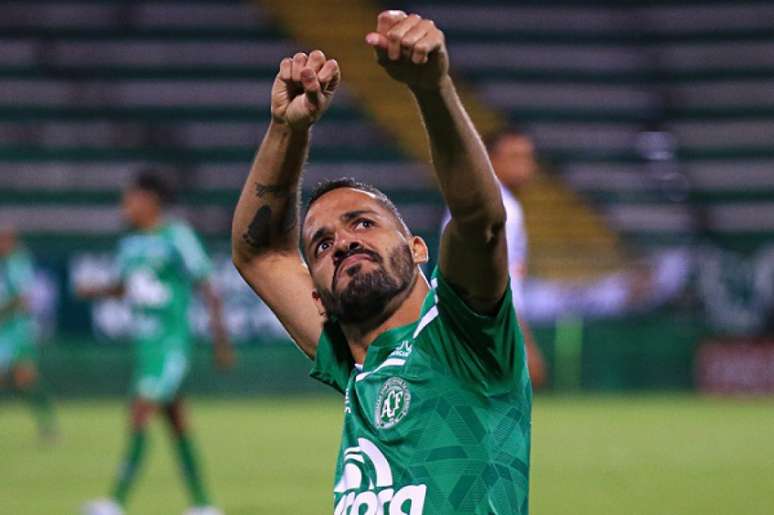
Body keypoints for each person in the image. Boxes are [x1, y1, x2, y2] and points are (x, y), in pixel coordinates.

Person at [232, 10, 531, 514]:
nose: (343, 242)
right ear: (317, 294)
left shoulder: (466, 337)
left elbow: (479, 218)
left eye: (363, 223)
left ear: (419, 249)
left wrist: (432, 89)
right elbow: (260, 252)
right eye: (322, 245)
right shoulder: (354, 362)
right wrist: (286, 129)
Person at [79, 171, 234, 515]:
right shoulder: (129, 244)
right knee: (176, 421)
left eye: (130, 199)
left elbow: (206, 283)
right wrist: (96, 290)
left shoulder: (176, 236)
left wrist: (220, 340)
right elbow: (124, 288)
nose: (125, 207)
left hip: (170, 344)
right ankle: (204, 505)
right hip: (146, 347)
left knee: (138, 413)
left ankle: (114, 502)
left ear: (150, 201)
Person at [442, 127, 547, 387]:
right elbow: (497, 281)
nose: (526, 165)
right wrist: (521, 340)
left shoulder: (476, 200)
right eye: (515, 157)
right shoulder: (499, 208)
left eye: (528, 157)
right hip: (482, 328)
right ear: (489, 160)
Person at [0, 225, 57, 441]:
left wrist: (4, 311)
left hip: (18, 331)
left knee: (25, 377)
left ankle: (48, 424)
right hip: (4, 331)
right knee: (15, 379)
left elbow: (23, 299)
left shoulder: (17, 263)